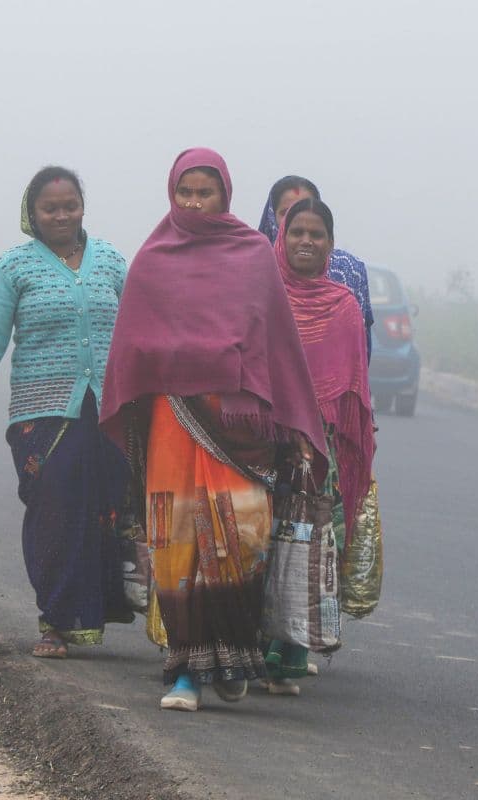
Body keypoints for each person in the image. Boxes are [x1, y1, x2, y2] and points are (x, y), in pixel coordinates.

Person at [100, 147, 327, 712]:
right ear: (172, 194)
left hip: (239, 428)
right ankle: (184, 672)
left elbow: (276, 344)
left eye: (207, 193)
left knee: (240, 537)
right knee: (176, 543)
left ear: (226, 195)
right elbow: (132, 345)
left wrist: (296, 421)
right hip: (173, 421)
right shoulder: (153, 259)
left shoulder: (252, 254)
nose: (195, 203)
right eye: (186, 192)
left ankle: (232, 656)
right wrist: (181, 356)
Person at [0, 166, 132, 659]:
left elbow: (138, 337)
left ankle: (90, 617)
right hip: (41, 416)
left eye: (70, 205)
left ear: (82, 206)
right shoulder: (14, 268)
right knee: (55, 514)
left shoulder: (111, 260)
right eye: (50, 207)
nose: (62, 215)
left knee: (106, 512)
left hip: (108, 413)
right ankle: (54, 618)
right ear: (32, 213)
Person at [264, 197, 376, 696]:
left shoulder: (343, 305)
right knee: (261, 542)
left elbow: (354, 388)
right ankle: (256, 643)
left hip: (320, 449)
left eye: (317, 234)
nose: (306, 241)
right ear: (281, 238)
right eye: (297, 233)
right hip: (266, 439)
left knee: (309, 546)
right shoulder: (262, 298)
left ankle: (294, 652)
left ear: (331, 244)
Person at [257, 176, 374, 359]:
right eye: (286, 212)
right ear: (272, 215)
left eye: (306, 208)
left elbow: (359, 348)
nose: (299, 217)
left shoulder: (347, 269)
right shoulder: (255, 269)